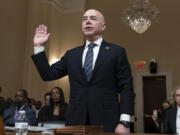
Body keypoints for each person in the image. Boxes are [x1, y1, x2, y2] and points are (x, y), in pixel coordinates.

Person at [32, 9, 134, 133]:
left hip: (107, 120)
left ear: (103, 26)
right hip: (75, 120)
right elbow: (48, 74)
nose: (88, 21)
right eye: (84, 19)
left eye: (93, 18)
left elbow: (126, 87)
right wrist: (39, 47)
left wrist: (124, 121)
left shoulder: (116, 52)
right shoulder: (72, 55)